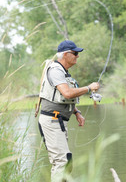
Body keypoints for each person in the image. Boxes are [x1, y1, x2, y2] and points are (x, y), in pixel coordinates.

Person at [37, 40, 99, 182]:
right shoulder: (55, 70)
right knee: (63, 161)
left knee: (65, 161)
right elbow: (67, 93)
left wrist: (76, 112)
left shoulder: (63, 72)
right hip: (52, 120)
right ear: (65, 54)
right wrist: (89, 88)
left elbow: (61, 98)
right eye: (75, 53)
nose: (77, 56)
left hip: (58, 121)